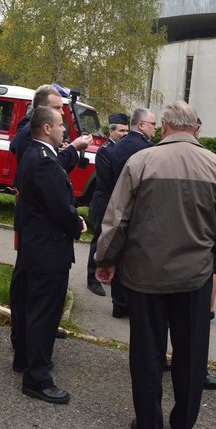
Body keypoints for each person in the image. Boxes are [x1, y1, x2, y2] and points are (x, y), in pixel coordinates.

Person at [95, 101, 216, 429]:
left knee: (147, 354)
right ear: (196, 128)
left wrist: (106, 259)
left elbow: (117, 221)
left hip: (144, 277)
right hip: (194, 279)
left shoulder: (140, 162)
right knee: (191, 355)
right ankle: (182, 428)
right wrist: (213, 263)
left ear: (163, 126)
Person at [9, 106, 86, 404]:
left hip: (36, 246)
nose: (65, 130)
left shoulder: (38, 155)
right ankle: (37, 378)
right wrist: (77, 222)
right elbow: (58, 206)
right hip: (48, 250)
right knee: (44, 313)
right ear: (45, 129)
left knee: (32, 307)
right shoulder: (43, 161)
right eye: (60, 126)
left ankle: (26, 360)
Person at [105, 107, 158, 318]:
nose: (155, 128)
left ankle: (119, 302)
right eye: (153, 124)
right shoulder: (143, 148)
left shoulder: (121, 144)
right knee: (133, 258)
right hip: (136, 209)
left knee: (120, 254)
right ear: (141, 125)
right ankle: (126, 303)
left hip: (119, 204)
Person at [86, 113, 130, 297]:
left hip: (117, 203)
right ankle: (92, 279)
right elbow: (108, 180)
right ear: (111, 131)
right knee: (99, 240)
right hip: (104, 203)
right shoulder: (105, 151)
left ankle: (108, 274)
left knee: (115, 240)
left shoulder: (122, 149)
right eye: (121, 131)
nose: (125, 134)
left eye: (127, 130)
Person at [9, 84, 92, 179]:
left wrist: (57, 149)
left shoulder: (34, 127)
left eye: (61, 107)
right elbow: (52, 169)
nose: (62, 112)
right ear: (40, 109)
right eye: (57, 107)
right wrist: (74, 147)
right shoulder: (31, 131)